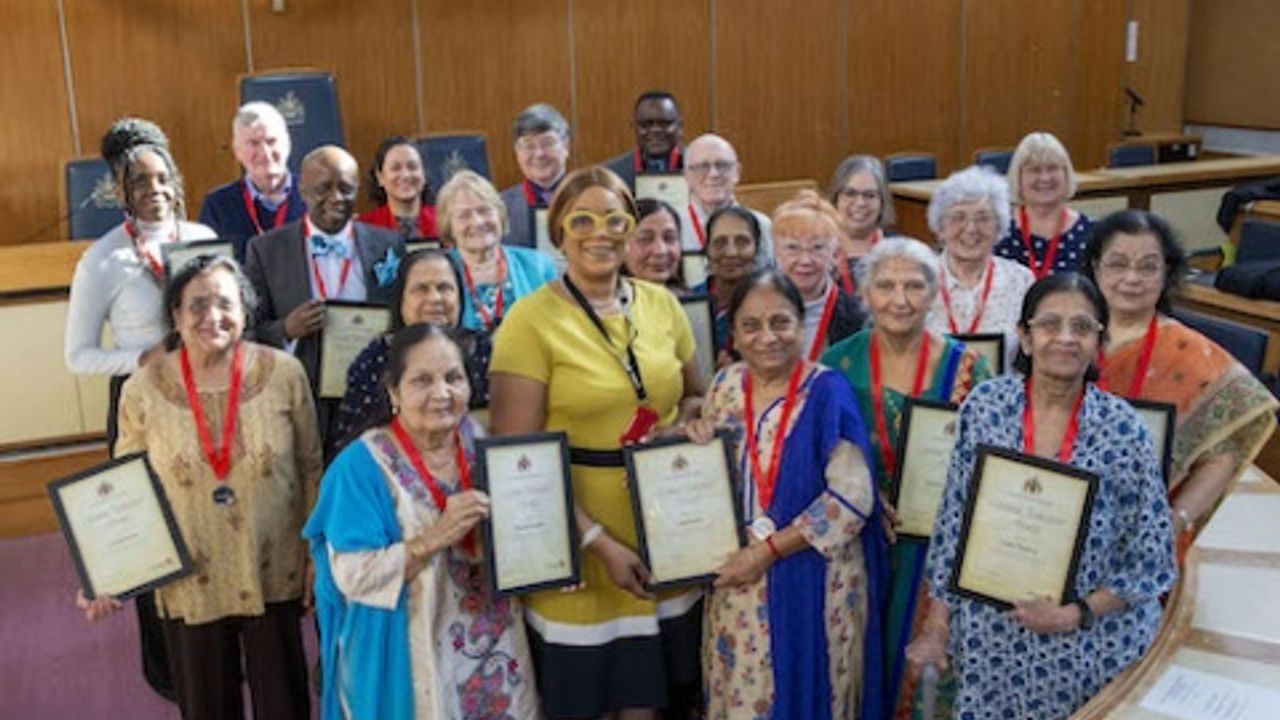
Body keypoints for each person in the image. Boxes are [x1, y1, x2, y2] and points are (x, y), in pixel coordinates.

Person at [488, 166, 705, 719]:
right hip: (579, 545)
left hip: (666, 535)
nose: (599, 232)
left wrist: (687, 427)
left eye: (615, 218)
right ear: (558, 230)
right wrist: (600, 544)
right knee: (590, 701)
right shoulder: (528, 321)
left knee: (657, 699)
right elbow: (519, 465)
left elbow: (698, 397)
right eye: (581, 219)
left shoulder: (663, 305)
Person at [908, 273, 1176, 719]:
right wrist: (936, 626)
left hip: (1087, 644)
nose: (1066, 338)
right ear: (1025, 338)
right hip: (991, 639)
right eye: (1050, 324)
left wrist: (1074, 615)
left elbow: (1152, 560)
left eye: (1083, 327)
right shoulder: (986, 406)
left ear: (1098, 343)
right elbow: (954, 522)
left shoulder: (1122, 427)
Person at [79, 255, 321, 720]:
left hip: (273, 567)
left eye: (225, 304)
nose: (212, 317)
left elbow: (312, 469)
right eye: (197, 305)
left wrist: (314, 557)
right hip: (188, 574)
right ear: (175, 315)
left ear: (246, 312)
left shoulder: (285, 374)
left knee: (284, 705)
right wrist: (104, 570)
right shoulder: (142, 389)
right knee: (206, 706)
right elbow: (123, 490)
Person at [304, 324, 539, 719]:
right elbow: (354, 575)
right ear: (394, 392)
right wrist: (436, 536)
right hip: (411, 655)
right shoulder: (360, 467)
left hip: (495, 645)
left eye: (454, 378)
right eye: (423, 381)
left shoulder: (476, 440)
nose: (442, 393)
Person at [687, 269, 887, 720]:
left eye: (781, 322)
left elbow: (852, 501)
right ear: (733, 333)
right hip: (738, 580)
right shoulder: (722, 387)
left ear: (803, 326)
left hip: (817, 581)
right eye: (751, 325)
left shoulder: (827, 390)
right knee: (742, 693)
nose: (767, 337)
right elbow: (711, 476)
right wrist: (689, 441)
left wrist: (768, 552)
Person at [65, 116, 216, 701]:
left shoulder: (204, 239)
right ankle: (171, 671)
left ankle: (217, 638)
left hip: (206, 397)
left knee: (208, 518)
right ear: (119, 192)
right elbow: (78, 356)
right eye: (137, 183)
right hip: (142, 404)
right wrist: (142, 356)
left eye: (161, 179)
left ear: (176, 181)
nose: (152, 191)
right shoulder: (102, 261)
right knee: (157, 536)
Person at [821, 237, 991, 719]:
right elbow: (815, 457)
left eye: (914, 286)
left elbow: (991, 465)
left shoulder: (970, 370)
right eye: (886, 285)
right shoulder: (835, 366)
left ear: (934, 292)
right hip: (859, 545)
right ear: (865, 293)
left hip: (940, 553)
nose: (900, 299)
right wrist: (862, 494)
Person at [1084, 209, 1278, 558]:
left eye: (1147, 266)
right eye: (1117, 264)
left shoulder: (1191, 353)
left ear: (1167, 273)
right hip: (1068, 520)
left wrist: (1177, 519)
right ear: (1096, 268)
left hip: (1146, 540)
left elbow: (1224, 453)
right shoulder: (1067, 340)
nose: (1132, 278)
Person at [245, 145, 405, 445]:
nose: (336, 198)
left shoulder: (389, 245)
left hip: (373, 395)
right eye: (323, 189)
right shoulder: (266, 250)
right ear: (303, 191)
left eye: (346, 188)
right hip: (300, 394)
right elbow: (247, 331)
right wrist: (285, 329)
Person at [333, 249, 493, 451]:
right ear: (401, 299)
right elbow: (349, 439)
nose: (435, 298)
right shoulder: (376, 359)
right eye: (421, 289)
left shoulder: (484, 352)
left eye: (444, 288)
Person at [924, 166, 1035, 368]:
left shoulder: (1021, 281)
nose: (971, 229)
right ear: (940, 227)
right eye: (958, 217)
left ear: (999, 226)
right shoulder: (918, 280)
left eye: (983, 218)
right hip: (929, 397)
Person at [438, 170, 558, 334]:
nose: (478, 222)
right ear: (448, 226)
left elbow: (558, 330)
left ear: (500, 214)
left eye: (485, 210)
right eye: (464, 215)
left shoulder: (540, 265)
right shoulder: (436, 271)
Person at [198, 102, 307, 261]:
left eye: (271, 141)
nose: (265, 152)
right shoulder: (217, 206)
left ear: (288, 144)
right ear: (237, 151)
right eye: (253, 143)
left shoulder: (314, 195)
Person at [773, 190, 866, 360]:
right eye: (793, 248)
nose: (805, 260)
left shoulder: (857, 316)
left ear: (835, 255)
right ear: (776, 253)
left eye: (817, 248)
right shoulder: (755, 305)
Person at [994, 131, 1092, 278]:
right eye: (1035, 170)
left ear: (1066, 174)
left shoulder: (1091, 233)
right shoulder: (996, 231)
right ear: (1018, 177)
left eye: (1052, 168)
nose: (1045, 178)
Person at [679, 134, 774, 262]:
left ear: (737, 172)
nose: (713, 174)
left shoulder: (762, 225)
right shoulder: (673, 225)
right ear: (686, 176)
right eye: (702, 166)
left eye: (722, 165)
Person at [692, 205, 764, 364]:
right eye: (720, 242)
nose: (731, 252)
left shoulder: (771, 302)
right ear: (707, 249)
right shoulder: (691, 303)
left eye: (742, 242)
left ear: (757, 248)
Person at [499, 103, 571, 249]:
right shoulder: (499, 207)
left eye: (547, 143)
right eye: (529, 146)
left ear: (566, 146)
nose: (539, 154)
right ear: (517, 152)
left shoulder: (589, 197)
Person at [827, 154, 895, 293]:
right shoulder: (817, 249)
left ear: (882, 203)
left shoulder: (899, 250)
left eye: (869, 195)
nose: (860, 203)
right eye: (850, 193)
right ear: (835, 200)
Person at [357, 135, 438, 241]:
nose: (405, 175)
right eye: (395, 168)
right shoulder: (363, 228)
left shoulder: (444, 220)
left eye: (412, 167)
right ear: (380, 177)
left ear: (424, 174)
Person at [604, 90, 685, 190]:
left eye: (664, 124)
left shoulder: (701, 170)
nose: (656, 130)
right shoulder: (611, 176)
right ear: (634, 128)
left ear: (680, 127)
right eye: (646, 125)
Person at [624, 198, 687, 293]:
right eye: (645, 239)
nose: (660, 250)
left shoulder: (695, 303)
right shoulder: (606, 305)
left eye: (669, 238)